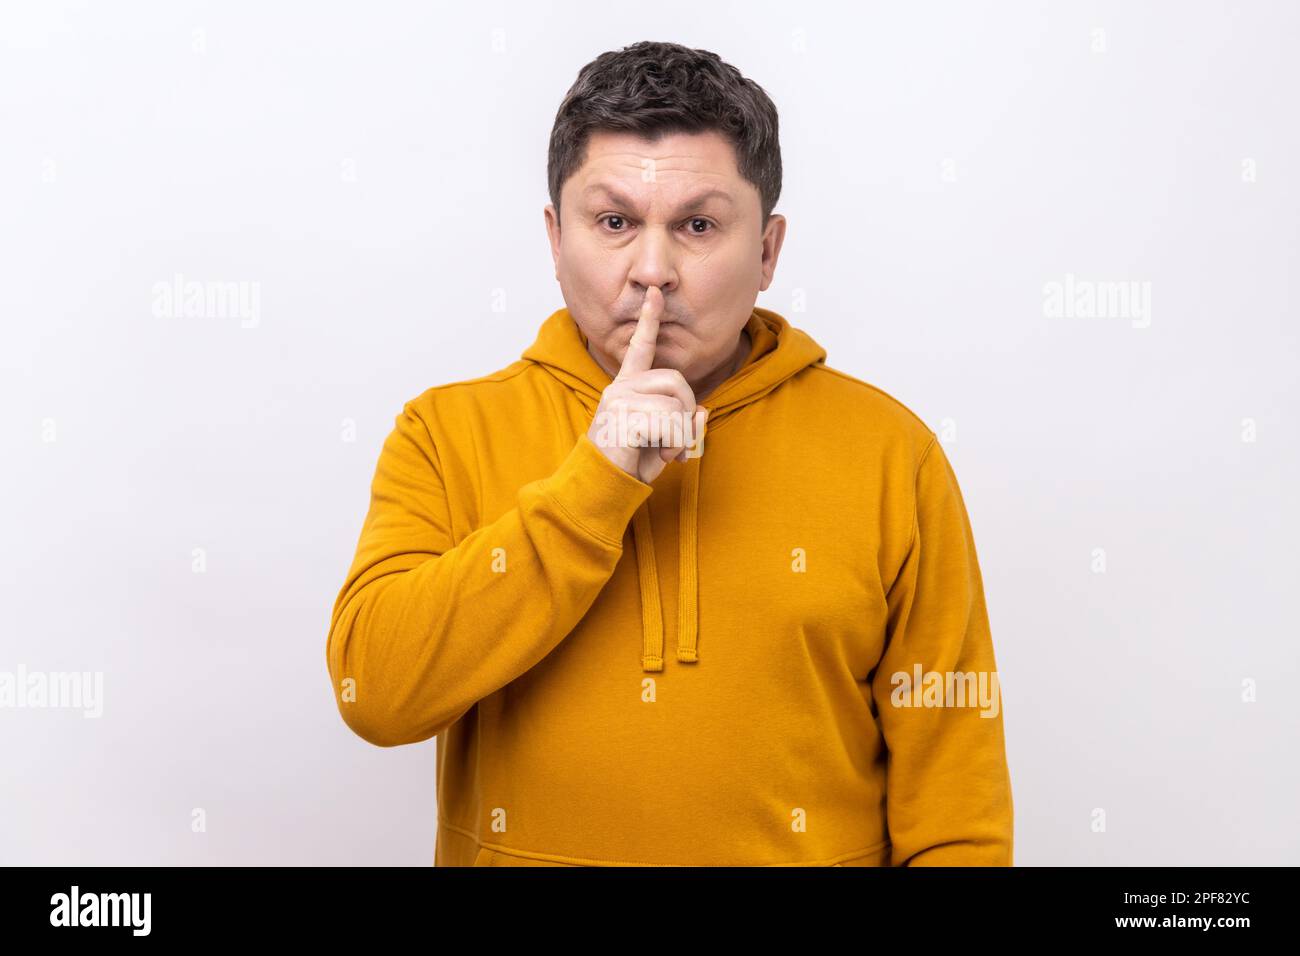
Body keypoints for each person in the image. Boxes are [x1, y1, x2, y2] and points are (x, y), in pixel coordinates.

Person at [325, 40, 1013, 867]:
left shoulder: (892, 454)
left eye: (698, 225)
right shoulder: (444, 431)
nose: (653, 272)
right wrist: (596, 484)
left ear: (766, 250)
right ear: (554, 238)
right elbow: (377, 694)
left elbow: (956, 808)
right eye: (614, 222)